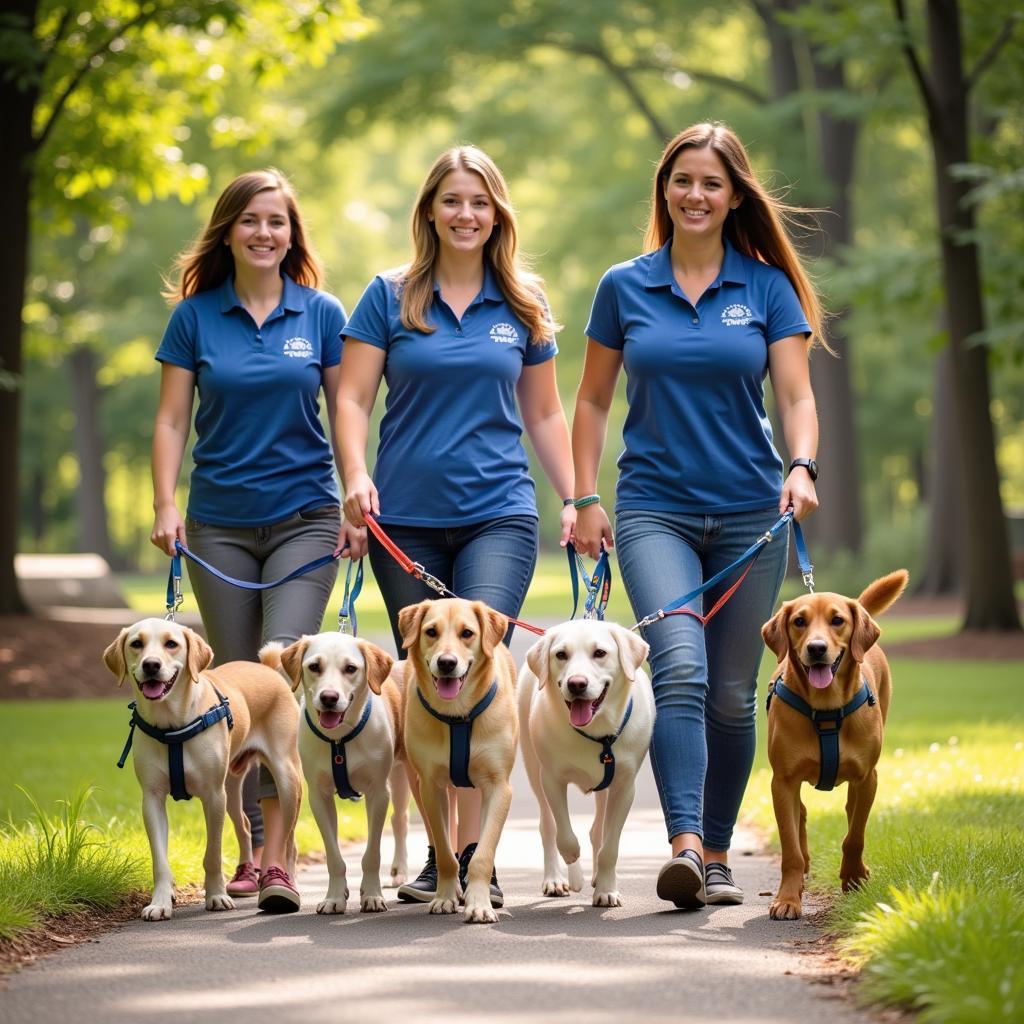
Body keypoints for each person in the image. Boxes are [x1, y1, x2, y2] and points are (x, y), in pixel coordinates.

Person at [572, 122, 827, 910]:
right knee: (676, 666)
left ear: (733, 195)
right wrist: (584, 497)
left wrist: (801, 465)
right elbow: (589, 400)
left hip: (752, 511)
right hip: (654, 509)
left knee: (730, 691)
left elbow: (795, 395)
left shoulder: (765, 289)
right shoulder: (624, 285)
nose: (695, 194)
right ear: (665, 188)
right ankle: (683, 843)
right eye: (683, 180)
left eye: (712, 183)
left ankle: (717, 852)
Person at [337, 144, 575, 907]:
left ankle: (478, 859)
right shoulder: (388, 295)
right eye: (451, 200)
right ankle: (441, 854)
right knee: (422, 679)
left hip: (499, 513)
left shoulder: (524, 302)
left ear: (496, 212)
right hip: (400, 519)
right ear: (429, 211)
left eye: (479, 201)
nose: (466, 214)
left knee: (480, 671)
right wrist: (355, 476)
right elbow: (350, 401)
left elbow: (544, 410)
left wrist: (577, 497)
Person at [150, 168, 365, 913]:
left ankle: (278, 862)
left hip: (307, 518)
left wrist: (352, 496)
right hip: (218, 525)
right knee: (230, 691)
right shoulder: (194, 317)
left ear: (292, 233)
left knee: (281, 681)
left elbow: (346, 408)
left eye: (277, 221)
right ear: (229, 231)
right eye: (250, 221)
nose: (264, 233)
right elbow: (173, 418)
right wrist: (164, 504)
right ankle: (242, 851)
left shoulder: (323, 312)